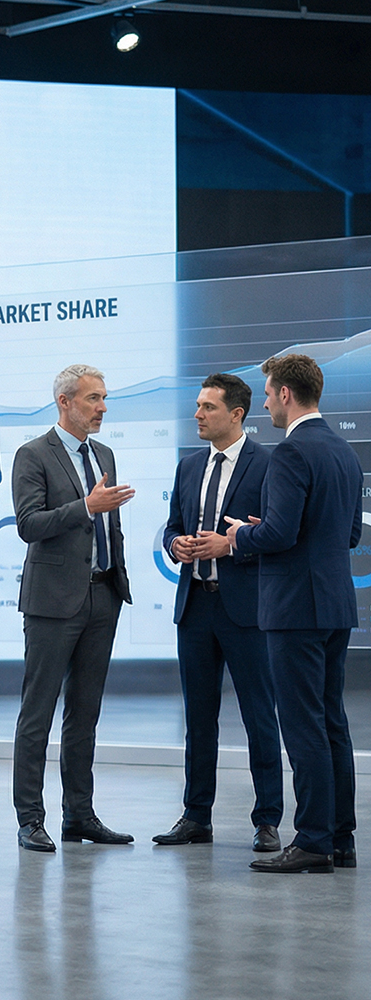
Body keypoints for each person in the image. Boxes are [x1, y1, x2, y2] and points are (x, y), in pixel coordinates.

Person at [225, 353, 363, 874]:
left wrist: (242, 535)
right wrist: (271, 530)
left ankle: (311, 841)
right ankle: (340, 838)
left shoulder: (289, 452)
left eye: (267, 394)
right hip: (334, 604)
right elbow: (349, 534)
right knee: (331, 722)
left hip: (294, 608)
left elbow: (279, 534)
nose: (264, 404)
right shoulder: (344, 452)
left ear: (285, 393)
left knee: (303, 726)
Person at [152, 373, 283, 853]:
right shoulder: (189, 466)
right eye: (198, 405)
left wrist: (230, 546)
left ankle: (267, 819)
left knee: (258, 716)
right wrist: (177, 545)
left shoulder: (268, 465)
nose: (198, 414)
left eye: (208, 407)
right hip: (195, 606)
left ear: (237, 414)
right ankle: (195, 816)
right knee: (198, 717)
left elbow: (277, 535)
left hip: (246, 610)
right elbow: (172, 527)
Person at [11, 364, 136, 852]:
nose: (102, 408)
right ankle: (30, 819)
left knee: (85, 715)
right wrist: (86, 506)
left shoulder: (103, 453)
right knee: (38, 713)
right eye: (93, 399)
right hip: (52, 602)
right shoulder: (33, 454)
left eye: (103, 398)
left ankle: (79, 815)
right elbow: (29, 524)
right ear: (64, 402)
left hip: (103, 596)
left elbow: (108, 526)